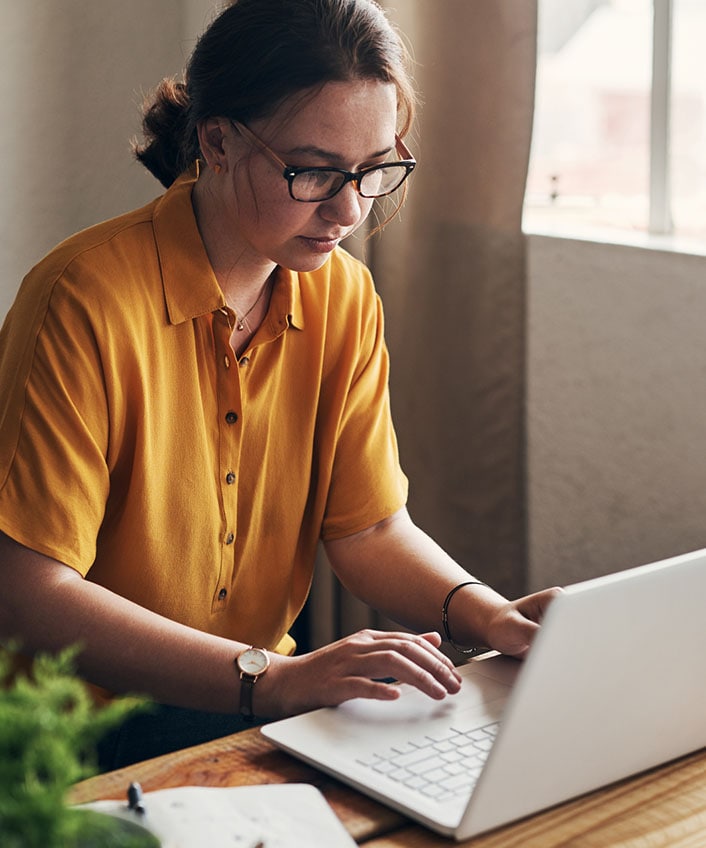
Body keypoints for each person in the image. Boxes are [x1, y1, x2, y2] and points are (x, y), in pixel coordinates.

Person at [0, 0, 559, 770]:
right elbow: (29, 589)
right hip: (71, 732)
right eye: (314, 171)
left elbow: (366, 529)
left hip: (250, 710)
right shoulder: (83, 299)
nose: (349, 209)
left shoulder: (346, 298)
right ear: (218, 140)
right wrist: (272, 679)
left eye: (372, 169)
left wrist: (488, 616)